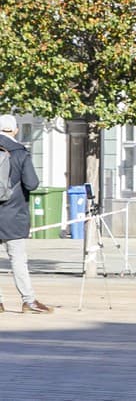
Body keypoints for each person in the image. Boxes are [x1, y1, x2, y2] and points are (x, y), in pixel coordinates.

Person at [0, 115, 52, 314]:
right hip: (13, 214)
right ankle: (28, 301)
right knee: (17, 260)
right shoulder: (20, 152)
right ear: (14, 130)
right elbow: (32, 183)